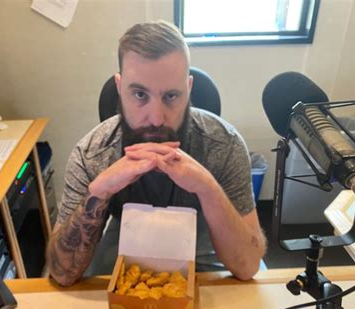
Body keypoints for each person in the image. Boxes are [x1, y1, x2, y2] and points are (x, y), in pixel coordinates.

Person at [48, 20, 266, 286]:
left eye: (171, 96)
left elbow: (248, 267)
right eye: (139, 94)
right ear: (119, 88)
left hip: (204, 234)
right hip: (125, 234)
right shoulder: (92, 154)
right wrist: (102, 189)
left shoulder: (224, 144)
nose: (155, 118)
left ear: (189, 89)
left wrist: (207, 187)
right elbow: (61, 274)